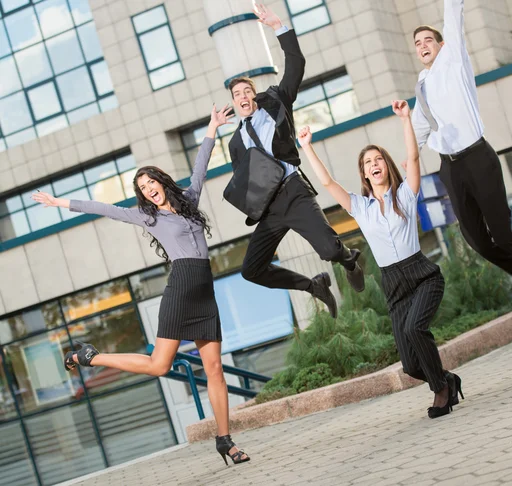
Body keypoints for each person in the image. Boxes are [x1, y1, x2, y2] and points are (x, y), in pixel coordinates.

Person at [32, 105, 250, 466]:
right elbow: (103, 208)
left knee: (214, 370)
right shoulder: (146, 216)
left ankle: (225, 441)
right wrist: (61, 202)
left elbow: (200, 165)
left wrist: (212, 127)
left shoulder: (189, 199)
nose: (150, 192)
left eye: (152, 184)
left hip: (205, 292)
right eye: (143, 189)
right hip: (181, 288)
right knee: (159, 365)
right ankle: (90, 356)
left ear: (162, 182)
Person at [297, 100, 463, 419]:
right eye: (368, 163)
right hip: (393, 283)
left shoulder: (404, 196)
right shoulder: (361, 207)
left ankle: (441, 393)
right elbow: (328, 184)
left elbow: (413, 158)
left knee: (416, 329)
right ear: (364, 173)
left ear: (386, 166)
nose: (374, 165)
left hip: (422, 274)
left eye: (378, 160)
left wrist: (406, 120)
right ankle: (446, 380)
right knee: (411, 365)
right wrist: (307, 147)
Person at [411, 0, 512, 307]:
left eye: (428, 40)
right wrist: (406, 159)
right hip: (449, 167)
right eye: (417, 43)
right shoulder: (421, 85)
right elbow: (419, 129)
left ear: (441, 45)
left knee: (503, 234)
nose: (423, 45)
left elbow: (453, 14)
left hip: (478, 158)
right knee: (477, 241)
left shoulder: (453, 62)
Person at [226, 3, 364, 319]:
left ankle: (349, 260)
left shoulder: (276, 101)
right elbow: (246, 181)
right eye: (237, 95)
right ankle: (313, 286)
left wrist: (278, 26)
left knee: (329, 250)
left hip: (294, 192)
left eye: (247, 90)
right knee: (251, 269)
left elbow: (296, 64)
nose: (243, 97)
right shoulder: (236, 142)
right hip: (271, 209)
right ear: (233, 103)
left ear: (254, 93)